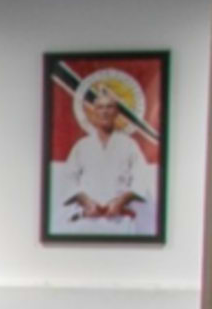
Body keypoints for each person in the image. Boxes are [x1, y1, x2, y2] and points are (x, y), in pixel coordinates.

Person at [50, 67, 160, 239]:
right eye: (100, 107)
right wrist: (86, 201)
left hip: (119, 218)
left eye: (110, 107)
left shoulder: (129, 145)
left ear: (117, 112)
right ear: (93, 112)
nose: (105, 112)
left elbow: (141, 179)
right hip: (88, 218)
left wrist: (121, 201)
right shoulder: (82, 146)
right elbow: (67, 179)